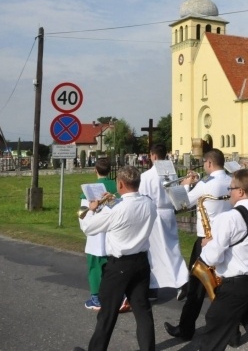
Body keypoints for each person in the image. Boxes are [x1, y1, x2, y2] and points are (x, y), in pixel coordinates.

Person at [74, 165, 157, 351]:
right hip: (141, 261)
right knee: (142, 311)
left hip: (119, 265)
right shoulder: (149, 202)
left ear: (120, 184)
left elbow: (88, 228)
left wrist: (93, 210)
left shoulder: (115, 207)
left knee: (107, 313)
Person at [199, 168, 248, 351]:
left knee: (214, 333)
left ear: (241, 191)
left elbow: (211, 257)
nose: (229, 192)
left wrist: (206, 245)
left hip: (236, 286)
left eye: (231, 188)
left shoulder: (229, 218)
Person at [165, 149, 233, 341]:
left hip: (205, 239)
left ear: (210, 163)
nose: (203, 166)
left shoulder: (205, 183)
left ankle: (185, 329)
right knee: (221, 285)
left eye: (204, 163)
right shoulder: (231, 180)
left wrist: (186, 185)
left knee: (196, 287)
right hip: (226, 238)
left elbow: (182, 204)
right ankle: (232, 331)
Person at [139, 143, 189, 300]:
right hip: (168, 212)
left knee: (153, 252)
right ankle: (178, 281)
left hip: (155, 214)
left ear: (153, 156)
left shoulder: (146, 176)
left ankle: (156, 287)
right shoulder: (171, 174)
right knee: (172, 248)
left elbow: (143, 198)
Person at [80, 157, 120, 311]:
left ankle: (96, 299)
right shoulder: (116, 188)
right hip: (113, 235)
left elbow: (82, 214)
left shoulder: (88, 190)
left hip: (96, 235)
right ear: (110, 170)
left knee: (95, 267)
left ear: (95, 170)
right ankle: (116, 296)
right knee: (112, 267)